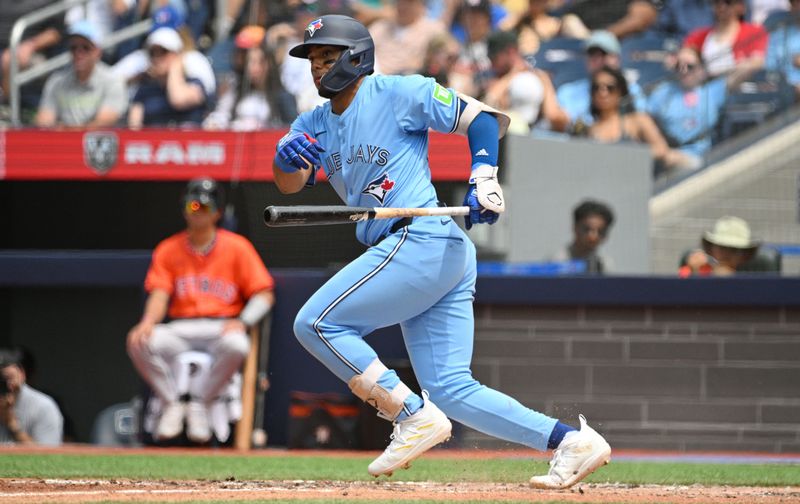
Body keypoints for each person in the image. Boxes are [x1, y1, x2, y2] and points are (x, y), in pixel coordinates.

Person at [272, 14, 611, 488]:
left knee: (316, 322)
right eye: (312, 60)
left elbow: (484, 121)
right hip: (424, 252)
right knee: (452, 390)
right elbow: (288, 185)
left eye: (328, 57)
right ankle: (572, 442)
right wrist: (282, 159)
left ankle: (408, 412)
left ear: (357, 57)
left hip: (422, 240)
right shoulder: (312, 123)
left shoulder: (399, 92)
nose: (317, 68)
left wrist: (484, 177)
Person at [126, 177, 275, 444]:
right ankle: (173, 401)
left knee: (238, 346)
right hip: (181, 328)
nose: (197, 212)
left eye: (204, 207)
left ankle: (199, 402)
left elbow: (264, 294)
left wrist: (243, 321)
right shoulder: (168, 249)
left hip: (221, 325)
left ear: (217, 212)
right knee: (139, 342)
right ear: (184, 209)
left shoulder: (237, 247)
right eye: (193, 206)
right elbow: (159, 293)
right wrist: (148, 321)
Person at [646, 46, 758, 161]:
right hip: (671, 153)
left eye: (690, 66)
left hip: (705, 155)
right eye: (679, 66)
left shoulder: (712, 91)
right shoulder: (664, 92)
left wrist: (711, 71)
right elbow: (643, 119)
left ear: (700, 68)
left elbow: (752, 65)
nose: (684, 71)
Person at [582, 66, 696, 172]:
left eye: (610, 88)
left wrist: (624, 158)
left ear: (620, 91)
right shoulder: (589, 131)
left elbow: (661, 149)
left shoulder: (637, 120)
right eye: (596, 88)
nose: (603, 93)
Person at [35, 20, 127, 128]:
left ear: (98, 52)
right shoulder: (56, 81)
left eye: (86, 48)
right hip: (64, 142)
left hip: (96, 144)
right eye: (73, 48)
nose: (79, 53)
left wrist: (63, 129)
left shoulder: (113, 81)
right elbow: (43, 123)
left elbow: (101, 125)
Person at [204, 26, 297, 130]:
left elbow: (292, 129)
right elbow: (221, 116)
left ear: (269, 63)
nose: (254, 68)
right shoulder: (236, 89)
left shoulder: (282, 96)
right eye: (250, 61)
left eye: (260, 62)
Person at [483, 30, 569, 134]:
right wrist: (511, 76)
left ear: (511, 52)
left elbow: (553, 115)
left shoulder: (538, 76)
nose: (492, 64)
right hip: (501, 136)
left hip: (531, 137)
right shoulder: (494, 78)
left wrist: (545, 81)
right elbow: (489, 101)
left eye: (494, 58)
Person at [556, 30, 647, 128]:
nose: (598, 60)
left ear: (617, 59)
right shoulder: (567, 91)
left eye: (603, 54)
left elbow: (638, 124)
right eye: (592, 54)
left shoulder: (633, 91)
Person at [127, 27, 214, 128]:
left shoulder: (195, 83)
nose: (157, 58)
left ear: (177, 54)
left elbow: (178, 100)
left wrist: (176, 66)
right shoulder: (144, 90)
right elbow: (134, 127)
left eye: (163, 52)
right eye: (152, 53)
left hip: (186, 141)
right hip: (155, 141)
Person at [0, 0, 65, 102]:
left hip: (33, 51)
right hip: (5, 47)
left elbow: (55, 33)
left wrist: (30, 45)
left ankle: (7, 106)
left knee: (9, 59)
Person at [683, 0, 768, 78]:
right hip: (706, 90)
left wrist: (711, 75)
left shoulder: (754, 32)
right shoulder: (698, 36)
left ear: (741, 6)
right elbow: (684, 57)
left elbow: (756, 63)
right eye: (716, 2)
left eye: (728, 2)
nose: (721, 6)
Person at [0, 348, 63, 446]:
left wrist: (11, 424)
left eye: (8, 378)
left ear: (22, 374)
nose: (6, 386)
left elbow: (49, 456)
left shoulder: (44, 406)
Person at [369, 0, 447, 75]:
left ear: (420, 5)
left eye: (409, 1)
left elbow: (449, 52)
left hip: (408, 80)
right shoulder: (380, 27)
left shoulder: (433, 29)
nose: (403, 5)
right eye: (400, 1)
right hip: (374, 78)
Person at [679, 216, 762, 276]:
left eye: (733, 249)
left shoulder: (756, 275)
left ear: (744, 254)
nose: (726, 253)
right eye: (722, 247)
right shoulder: (699, 269)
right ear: (712, 248)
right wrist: (695, 273)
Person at [551, 200, 615, 274]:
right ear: (575, 228)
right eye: (587, 229)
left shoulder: (604, 264)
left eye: (600, 232)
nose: (593, 236)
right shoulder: (558, 262)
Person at [514, 0, 589, 56]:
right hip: (527, 61)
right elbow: (504, 29)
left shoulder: (557, 22)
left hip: (550, 59)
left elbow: (585, 39)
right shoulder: (520, 22)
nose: (536, 3)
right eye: (533, 1)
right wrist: (521, 15)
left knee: (571, 21)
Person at [765, 0, 800, 100]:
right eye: (794, 2)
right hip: (784, 95)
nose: (797, 6)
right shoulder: (779, 34)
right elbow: (770, 67)